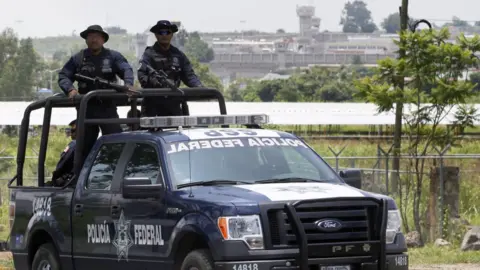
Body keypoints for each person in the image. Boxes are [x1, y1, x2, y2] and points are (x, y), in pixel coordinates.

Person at [57, 24, 135, 160]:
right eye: (91, 37)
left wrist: (128, 85)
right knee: (84, 149)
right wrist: (70, 89)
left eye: (97, 37)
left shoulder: (113, 56)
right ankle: (80, 178)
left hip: (107, 108)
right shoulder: (78, 58)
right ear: (86, 40)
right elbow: (64, 75)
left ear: (103, 40)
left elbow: (126, 69)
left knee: (116, 145)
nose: (94, 40)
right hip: (86, 109)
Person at [137, 20, 203, 117]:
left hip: (173, 104)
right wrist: (153, 81)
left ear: (171, 35)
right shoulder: (149, 54)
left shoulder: (178, 55)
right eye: (161, 32)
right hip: (152, 105)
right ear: (156, 35)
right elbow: (141, 75)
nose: (164, 35)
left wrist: (199, 87)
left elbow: (189, 76)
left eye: (167, 32)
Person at [46, 120, 77, 187]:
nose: (71, 134)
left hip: (68, 182)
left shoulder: (74, 144)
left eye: (73, 131)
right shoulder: (91, 145)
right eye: (70, 131)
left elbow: (63, 163)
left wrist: (56, 178)